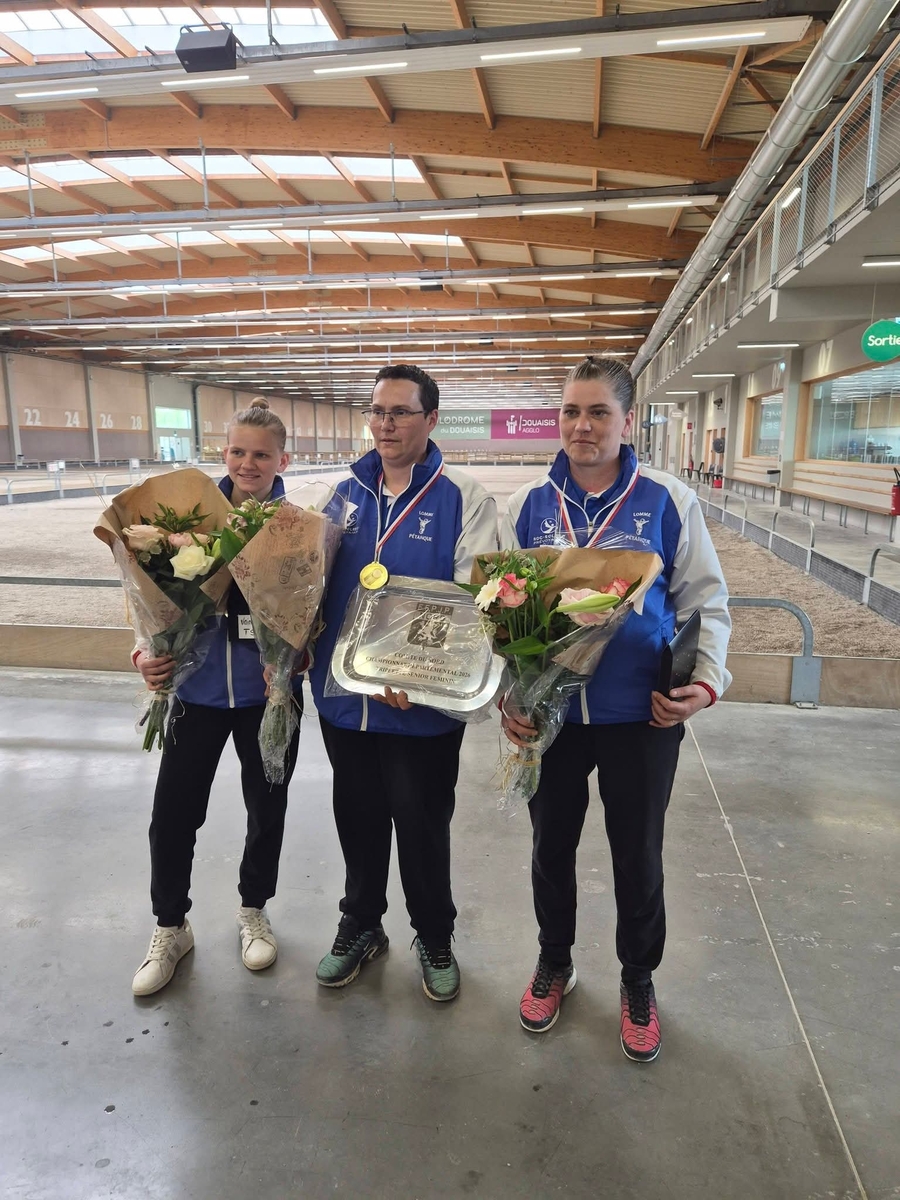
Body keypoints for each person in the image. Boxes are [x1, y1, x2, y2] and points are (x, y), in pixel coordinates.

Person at [501, 356, 731, 1061]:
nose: (583, 426)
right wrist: (511, 696)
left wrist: (703, 683)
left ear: (627, 421)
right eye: (571, 411)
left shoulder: (665, 500)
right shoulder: (530, 504)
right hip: (553, 720)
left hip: (643, 716)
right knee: (550, 848)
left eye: (598, 412)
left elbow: (704, 601)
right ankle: (555, 961)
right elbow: (500, 609)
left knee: (638, 854)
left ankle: (638, 977)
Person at [309, 364, 498, 1002]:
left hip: (422, 702)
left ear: (431, 419)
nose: (385, 424)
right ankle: (361, 923)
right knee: (357, 816)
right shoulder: (342, 495)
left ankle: (434, 934)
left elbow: (474, 601)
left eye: (400, 412)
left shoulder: (465, 498)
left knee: (421, 822)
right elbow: (308, 582)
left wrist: (408, 671)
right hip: (345, 698)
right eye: (377, 411)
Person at [131, 398, 302, 996]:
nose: (248, 463)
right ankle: (170, 925)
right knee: (173, 815)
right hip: (194, 695)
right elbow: (145, 600)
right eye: (237, 451)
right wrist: (143, 655)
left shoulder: (299, 528)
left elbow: (316, 613)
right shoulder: (187, 521)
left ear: (283, 459)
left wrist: (296, 661)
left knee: (267, 808)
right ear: (223, 453)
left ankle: (254, 908)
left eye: (262, 454)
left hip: (269, 698)